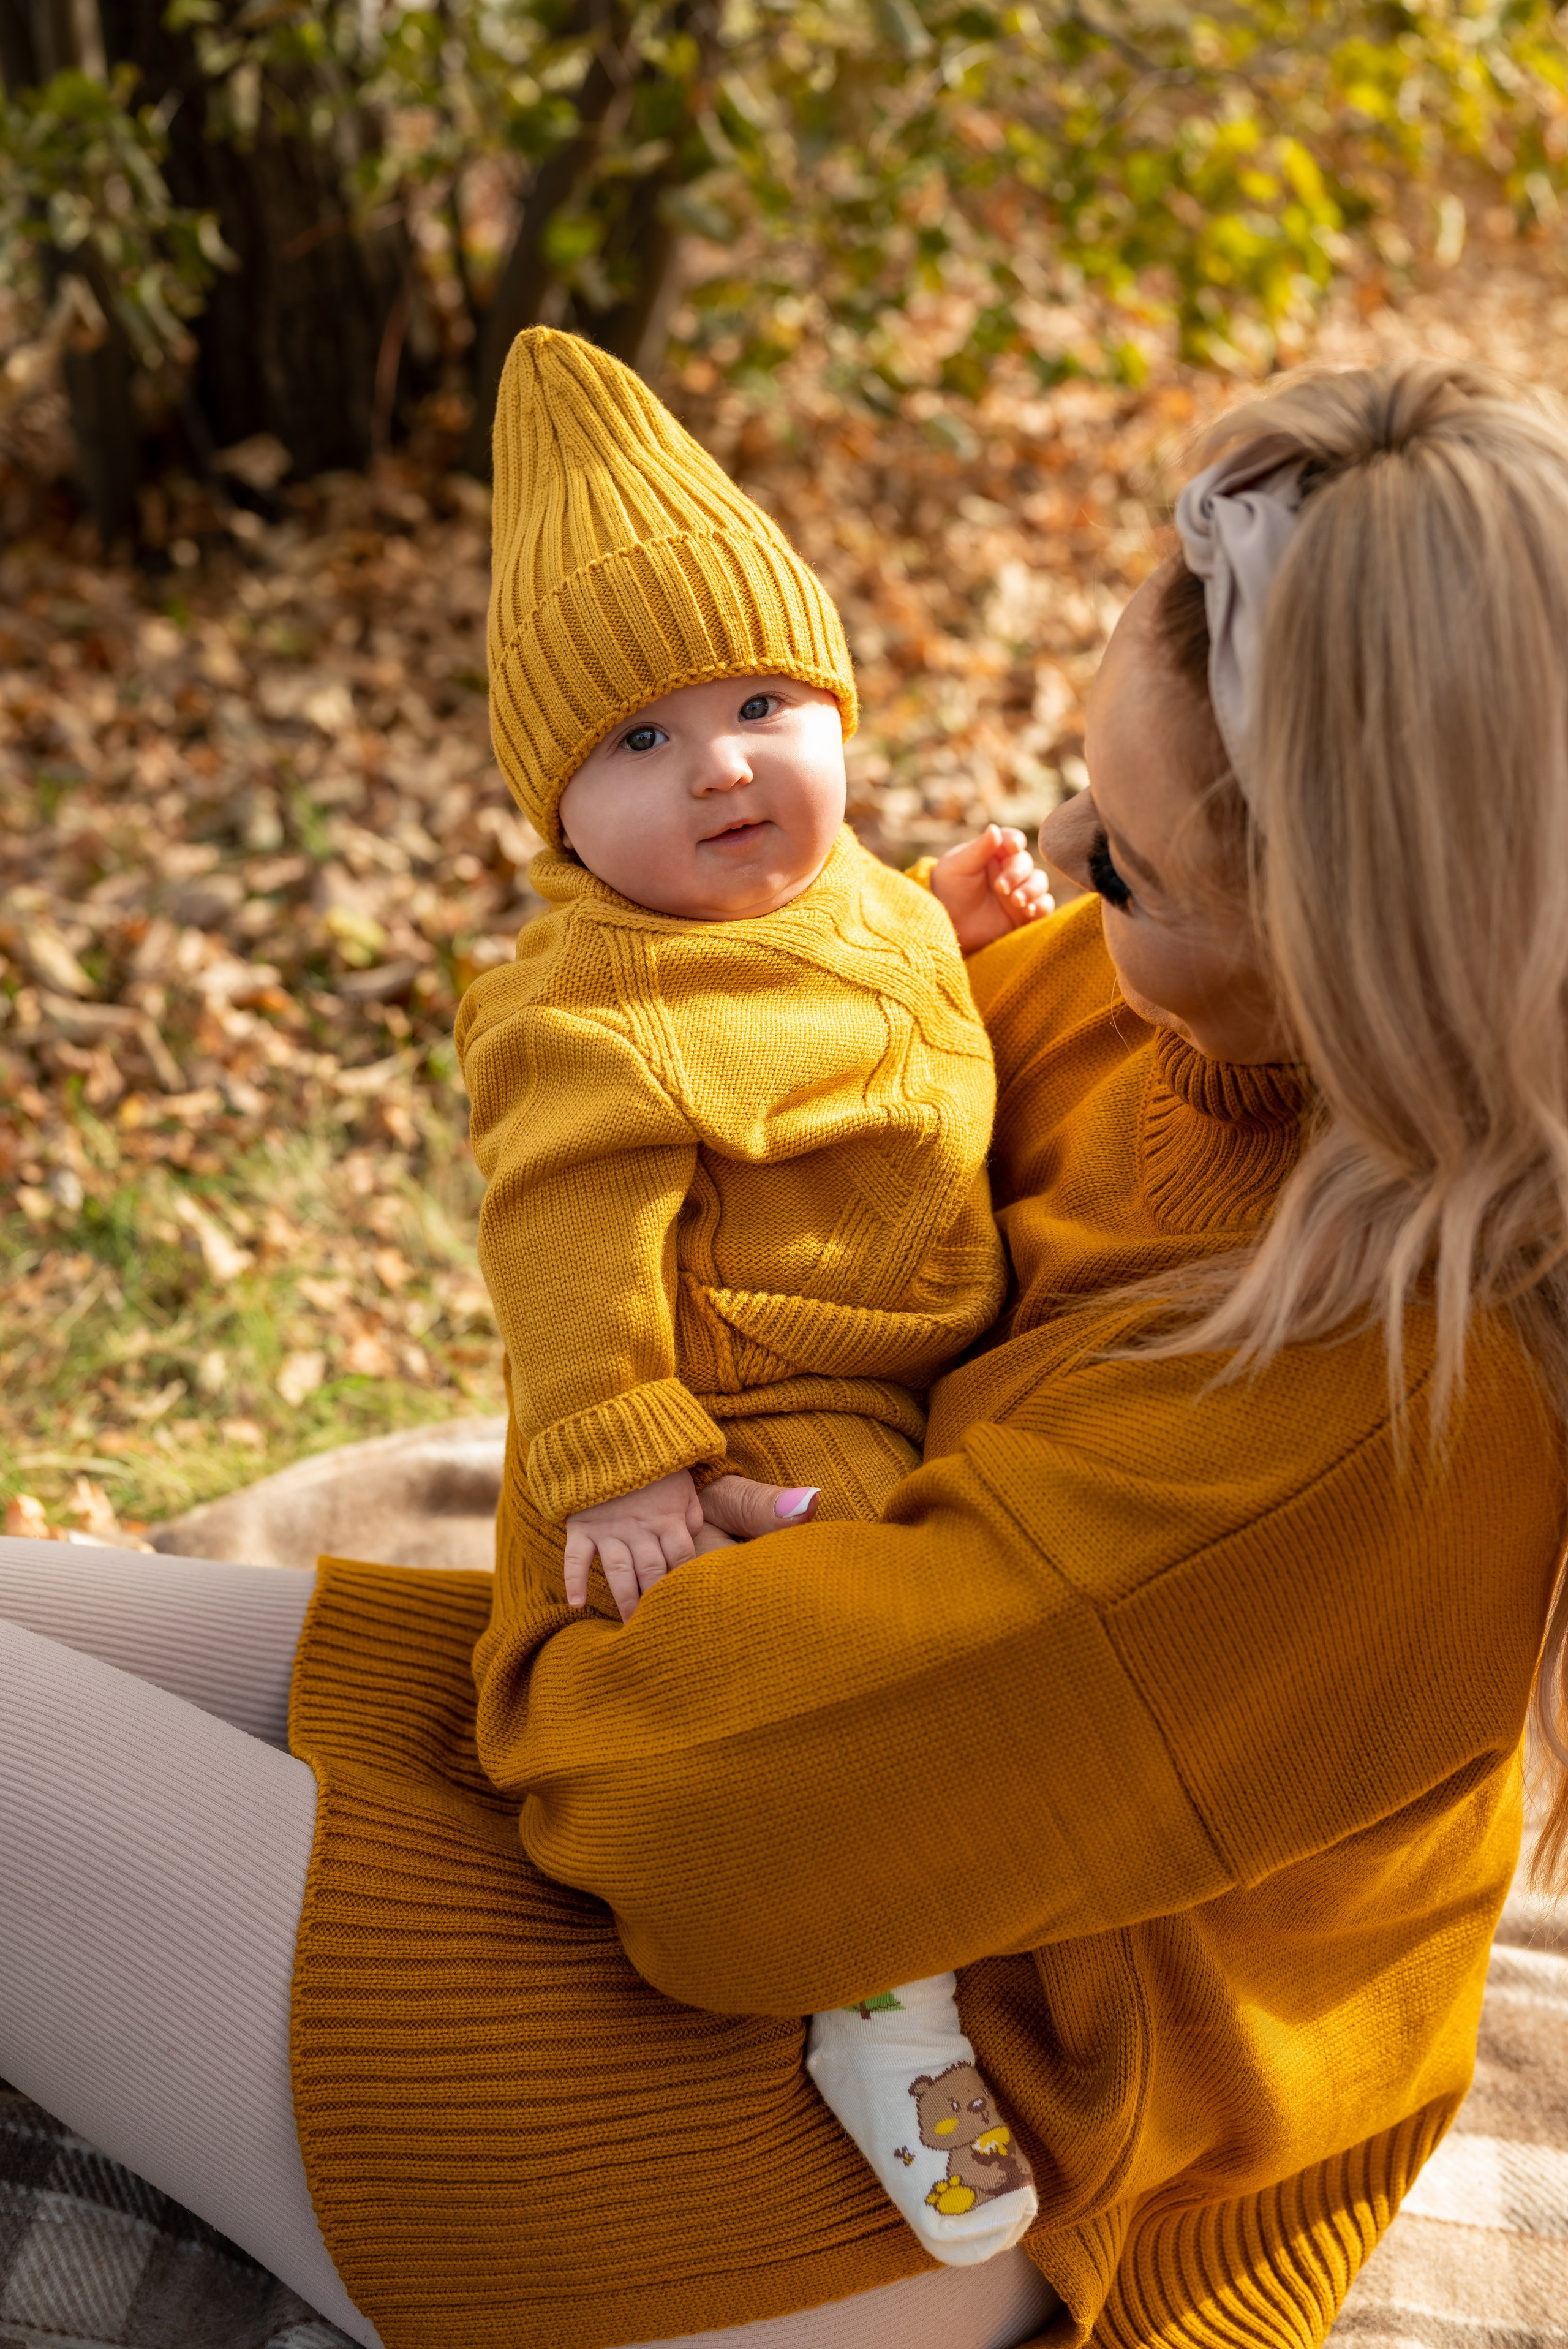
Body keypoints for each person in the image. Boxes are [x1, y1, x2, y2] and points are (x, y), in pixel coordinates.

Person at [2, 353, 1567, 2349]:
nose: (1058, 855)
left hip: (946, 2153)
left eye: (1127, 865)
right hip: (832, 1800)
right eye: (1084, 786)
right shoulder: (1201, 1030)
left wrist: (609, 1473)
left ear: (1357, 942)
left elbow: (684, 1834)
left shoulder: (1371, 1427)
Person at [456, 326, 1055, 2268]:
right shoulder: (598, 1008)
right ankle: (887, 2016)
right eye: (637, 741)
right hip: (736, 1415)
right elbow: (561, 1239)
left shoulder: (851, 895)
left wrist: (956, 934)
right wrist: (623, 1453)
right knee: (860, 1657)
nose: (720, 762)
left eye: (762, 701)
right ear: (559, 817)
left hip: (906, 1361)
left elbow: (868, 1021)